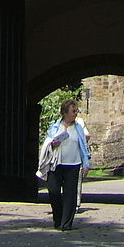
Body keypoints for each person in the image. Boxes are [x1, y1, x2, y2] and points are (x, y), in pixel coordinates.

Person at [42, 97, 90, 231]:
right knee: (53, 191)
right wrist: (53, 143)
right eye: (73, 111)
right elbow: (48, 142)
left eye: (76, 111)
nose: (75, 113)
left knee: (70, 194)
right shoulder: (55, 126)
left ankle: (66, 223)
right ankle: (58, 219)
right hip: (56, 164)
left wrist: (85, 163)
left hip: (73, 164)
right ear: (65, 112)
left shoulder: (78, 127)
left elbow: (83, 146)